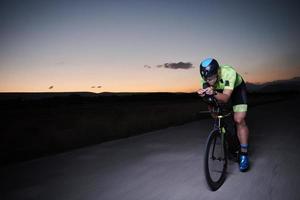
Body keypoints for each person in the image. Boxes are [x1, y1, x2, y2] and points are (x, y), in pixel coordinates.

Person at [197, 58, 250, 172]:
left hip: (236, 90)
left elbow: (225, 98)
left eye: (211, 78)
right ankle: (228, 138)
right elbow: (210, 101)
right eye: (206, 79)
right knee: (216, 116)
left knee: (239, 120)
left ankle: (244, 154)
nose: (209, 81)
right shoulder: (205, 79)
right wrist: (204, 96)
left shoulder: (228, 72)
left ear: (217, 72)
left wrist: (214, 92)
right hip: (219, 91)